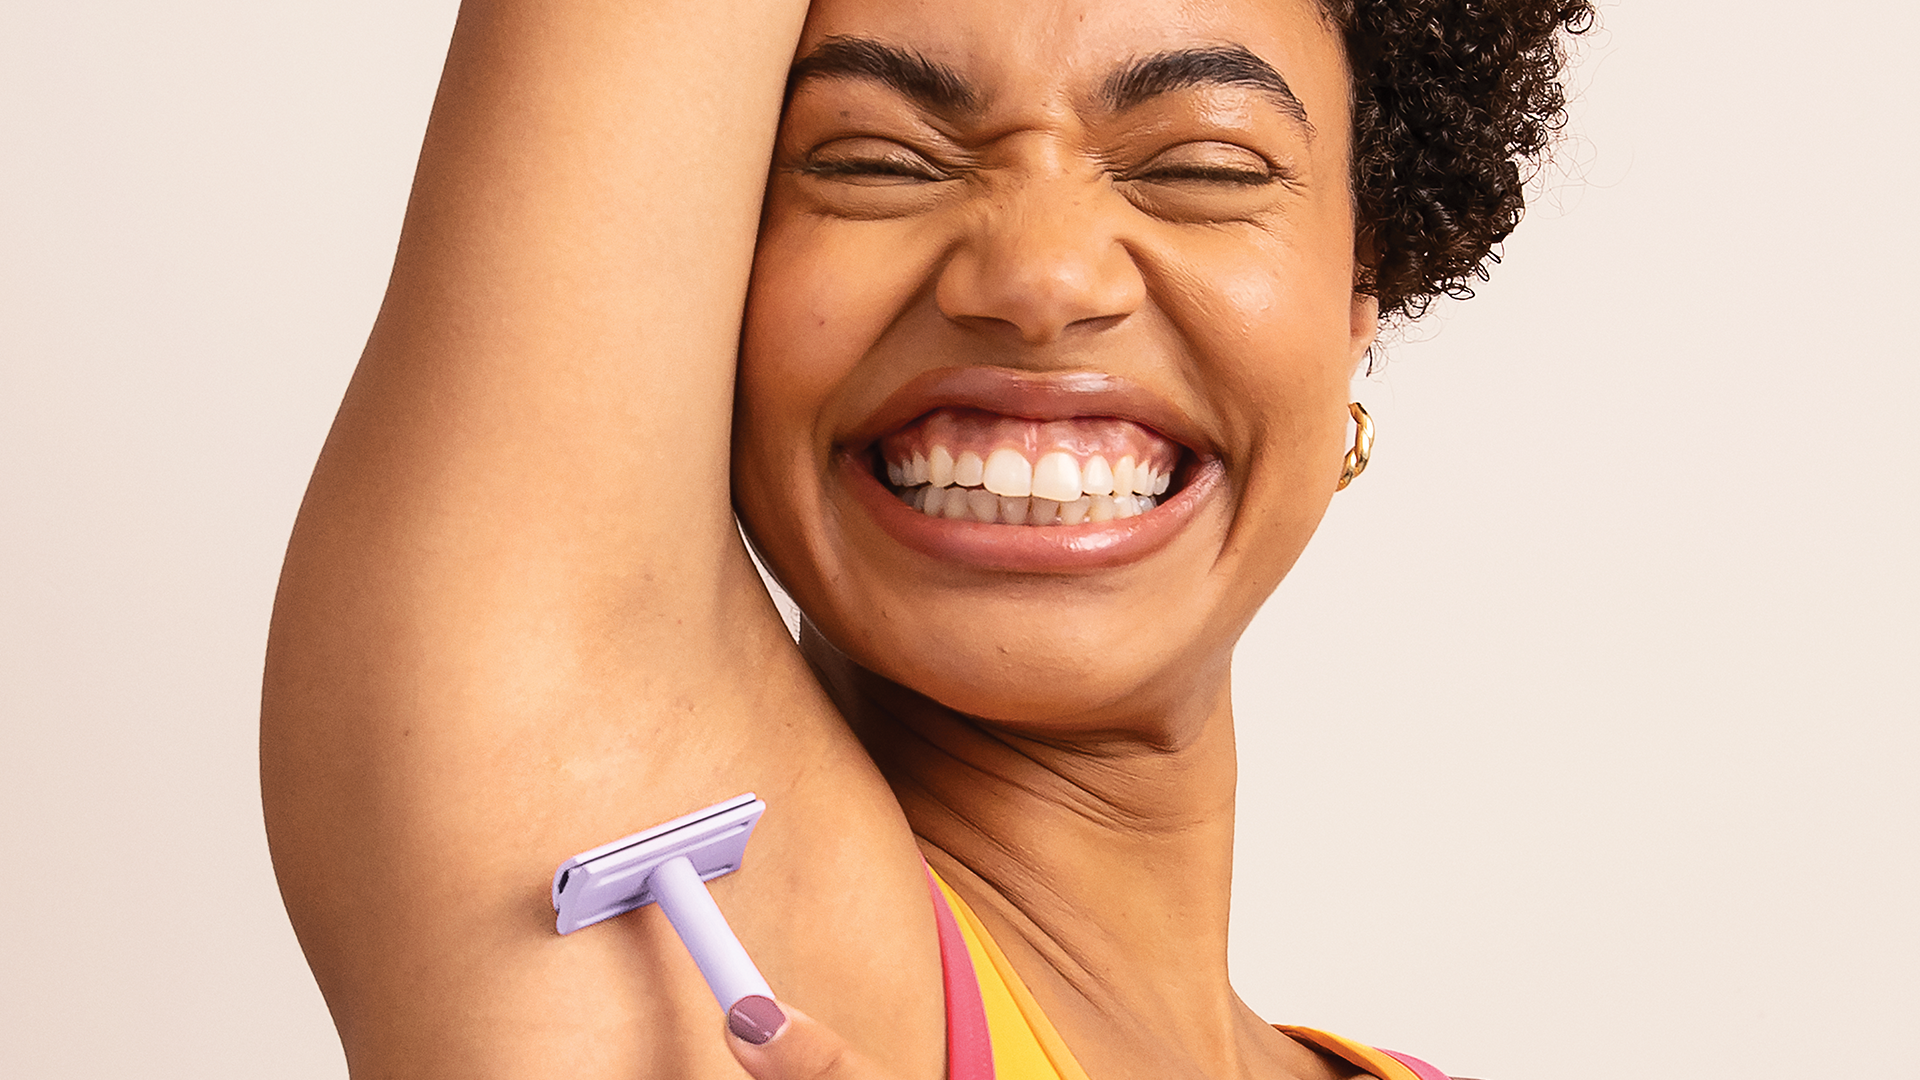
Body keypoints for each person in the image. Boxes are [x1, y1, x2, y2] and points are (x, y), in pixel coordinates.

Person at [261, 0, 1592, 1076]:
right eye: (874, 162)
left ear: (1362, 289)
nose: (1039, 278)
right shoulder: (700, 926)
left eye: (1200, 168)